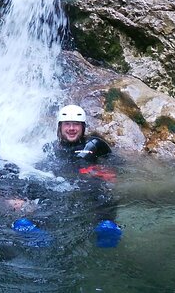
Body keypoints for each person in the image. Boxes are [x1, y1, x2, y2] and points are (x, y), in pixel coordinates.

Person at [43, 104, 122, 248]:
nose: (71, 128)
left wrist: (106, 173)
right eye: (67, 124)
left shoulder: (95, 144)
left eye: (76, 124)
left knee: (97, 189)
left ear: (83, 127)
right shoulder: (50, 148)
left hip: (89, 182)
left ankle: (106, 224)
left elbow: (117, 164)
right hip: (61, 184)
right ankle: (42, 231)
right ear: (60, 127)